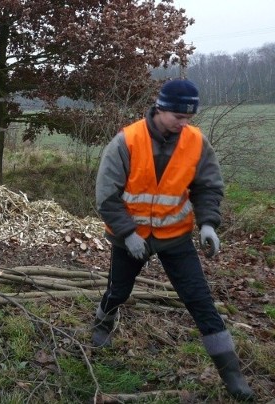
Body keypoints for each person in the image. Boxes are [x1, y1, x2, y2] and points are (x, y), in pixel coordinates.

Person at [92, 79, 254, 401]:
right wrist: (127, 233)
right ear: (161, 108)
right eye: (178, 116)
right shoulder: (127, 140)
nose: (184, 123)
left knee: (200, 301)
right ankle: (102, 323)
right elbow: (106, 195)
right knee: (118, 290)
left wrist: (208, 224)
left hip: (175, 238)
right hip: (131, 238)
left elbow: (208, 186)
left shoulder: (195, 142)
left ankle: (232, 375)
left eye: (188, 117)